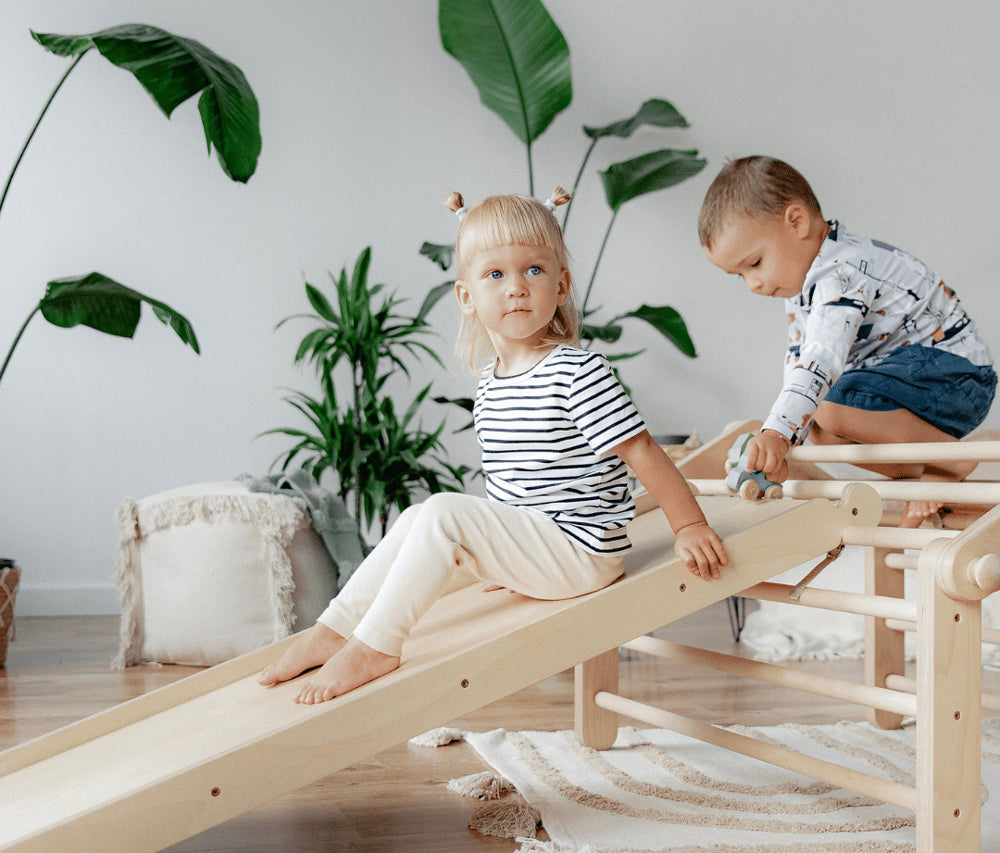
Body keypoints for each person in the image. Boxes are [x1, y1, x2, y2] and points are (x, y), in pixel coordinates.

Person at [259, 188, 727, 704]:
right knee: (418, 519)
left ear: (561, 284)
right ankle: (334, 629)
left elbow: (643, 453)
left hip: (581, 553)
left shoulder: (577, 371)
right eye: (496, 275)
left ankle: (377, 646)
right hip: (542, 548)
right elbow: (512, 483)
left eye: (533, 271)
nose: (517, 289)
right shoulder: (491, 382)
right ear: (467, 296)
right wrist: (508, 558)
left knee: (441, 512)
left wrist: (689, 525)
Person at [698, 155, 996, 528]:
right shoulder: (804, 288)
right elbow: (800, 365)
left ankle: (948, 463)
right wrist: (786, 438)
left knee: (829, 407)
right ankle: (919, 472)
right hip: (908, 384)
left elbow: (821, 361)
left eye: (754, 263)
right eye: (737, 275)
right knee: (820, 430)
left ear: (796, 222)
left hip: (956, 377)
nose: (753, 284)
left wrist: (777, 432)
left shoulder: (844, 272)